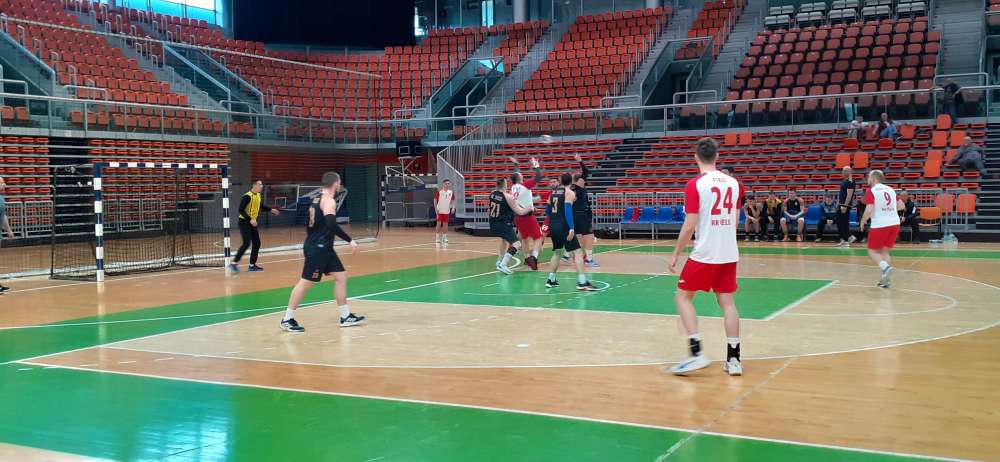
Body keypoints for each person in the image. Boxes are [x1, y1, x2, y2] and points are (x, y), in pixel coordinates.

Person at [668, 137, 743, 376]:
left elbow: (689, 225)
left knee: (682, 297)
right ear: (717, 156)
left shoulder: (695, 185)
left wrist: (676, 253)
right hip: (728, 251)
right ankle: (734, 360)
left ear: (695, 157)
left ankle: (696, 353)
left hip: (705, 252)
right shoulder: (735, 183)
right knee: (727, 303)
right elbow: (735, 221)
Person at [280, 172, 364, 332]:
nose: (340, 184)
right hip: (318, 248)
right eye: (339, 182)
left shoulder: (316, 199)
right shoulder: (329, 201)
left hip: (323, 247)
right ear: (335, 183)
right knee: (306, 282)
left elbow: (311, 224)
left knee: (341, 276)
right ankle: (287, 319)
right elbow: (331, 224)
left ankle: (345, 316)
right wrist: (350, 240)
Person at [544, 172, 597, 291]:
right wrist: (571, 228)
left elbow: (547, 210)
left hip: (553, 224)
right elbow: (568, 211)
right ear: (571, 182)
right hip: (564, 225)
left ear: (560, 181)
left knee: (557, 252)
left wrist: (554, 221)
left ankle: (551, 280)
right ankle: (582, 282)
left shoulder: (553, 193)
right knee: (578, 252)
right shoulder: (569, 193)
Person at [859, 170, 904, 288]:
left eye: (869, 177)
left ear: (874, 178)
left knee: (872, 251)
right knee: (885, 251)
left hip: (880, 224)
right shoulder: (891, 190)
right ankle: (886, 280)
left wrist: (863, 220)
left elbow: (869, 209)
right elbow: (901, 206)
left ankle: (885, 267)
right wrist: (888, 210)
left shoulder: (871, 191)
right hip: (894, 223)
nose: (867, 179)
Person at [231, 180, 280, 272]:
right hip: (244, 222)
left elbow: (260, 206)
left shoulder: (258, 195)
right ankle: (234, 263)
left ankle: (252, 265)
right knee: (246, 243)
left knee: (257, 243)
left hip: (252, 223)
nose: (262, 186)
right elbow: (240, 210)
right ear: (254, 185)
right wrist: (250, 219)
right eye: (260, 184)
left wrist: (271, 210)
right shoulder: (247, 196)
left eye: (262, 184)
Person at [509, 157, 544, 270]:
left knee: (524, 238)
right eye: (521, 175)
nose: (522, 175)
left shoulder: (513, 187)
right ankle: (534, 257)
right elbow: (539, 177)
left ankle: (527, 258)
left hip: (517, 217)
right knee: (538, 238)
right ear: (519, 178)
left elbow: (515, 175)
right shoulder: (525, 185)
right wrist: (536, 165)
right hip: (527, 217)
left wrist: (516, 165)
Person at [489, 178, 528, 275]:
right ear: (505, 185)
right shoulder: (508, 197)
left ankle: (499, 261)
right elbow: (520, 212)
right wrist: (529, 208)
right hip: (504, 224)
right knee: (517, 244)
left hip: (493, 223)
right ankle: (503, 264)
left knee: (504, 240)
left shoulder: (492, 193)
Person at [571, 154, 598, 267]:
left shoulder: (569, 189)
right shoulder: (579, 186)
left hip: (574, 214)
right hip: (582, 214)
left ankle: (576, 257)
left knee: (578, 236)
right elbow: (586, 171)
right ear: (579, 181)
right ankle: (589, 259)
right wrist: (580, 161)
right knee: (589, 235)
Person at [836, 166, 856, 247]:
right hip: (841, 204)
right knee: (839, 221)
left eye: (844, 171)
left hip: (845, 205)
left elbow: (849, 195)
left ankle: (846, 240)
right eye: (842, 171)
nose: (842, 172)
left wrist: (845, 205)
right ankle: (847, 238)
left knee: (843, 222)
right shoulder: (845, 181)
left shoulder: (850, 181)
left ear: (849, 172)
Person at [0, 177, 14, 293]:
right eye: (2, 183)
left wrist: (8, 230)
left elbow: (3, 216)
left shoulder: (1, 198)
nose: (4, 185)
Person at [433, 179, 456, 244]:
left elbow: (453, 200)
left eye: (448, 183)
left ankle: (444, 238)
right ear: (443, 184)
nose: (447, 185)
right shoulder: (439, 192)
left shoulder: (451, 192)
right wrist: (435, 208)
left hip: (446, 211)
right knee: (438, 224)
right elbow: (435, 200)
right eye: (446, 183)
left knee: (445, 225)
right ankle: (437, 238)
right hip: (439, 211)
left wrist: (453, 207)